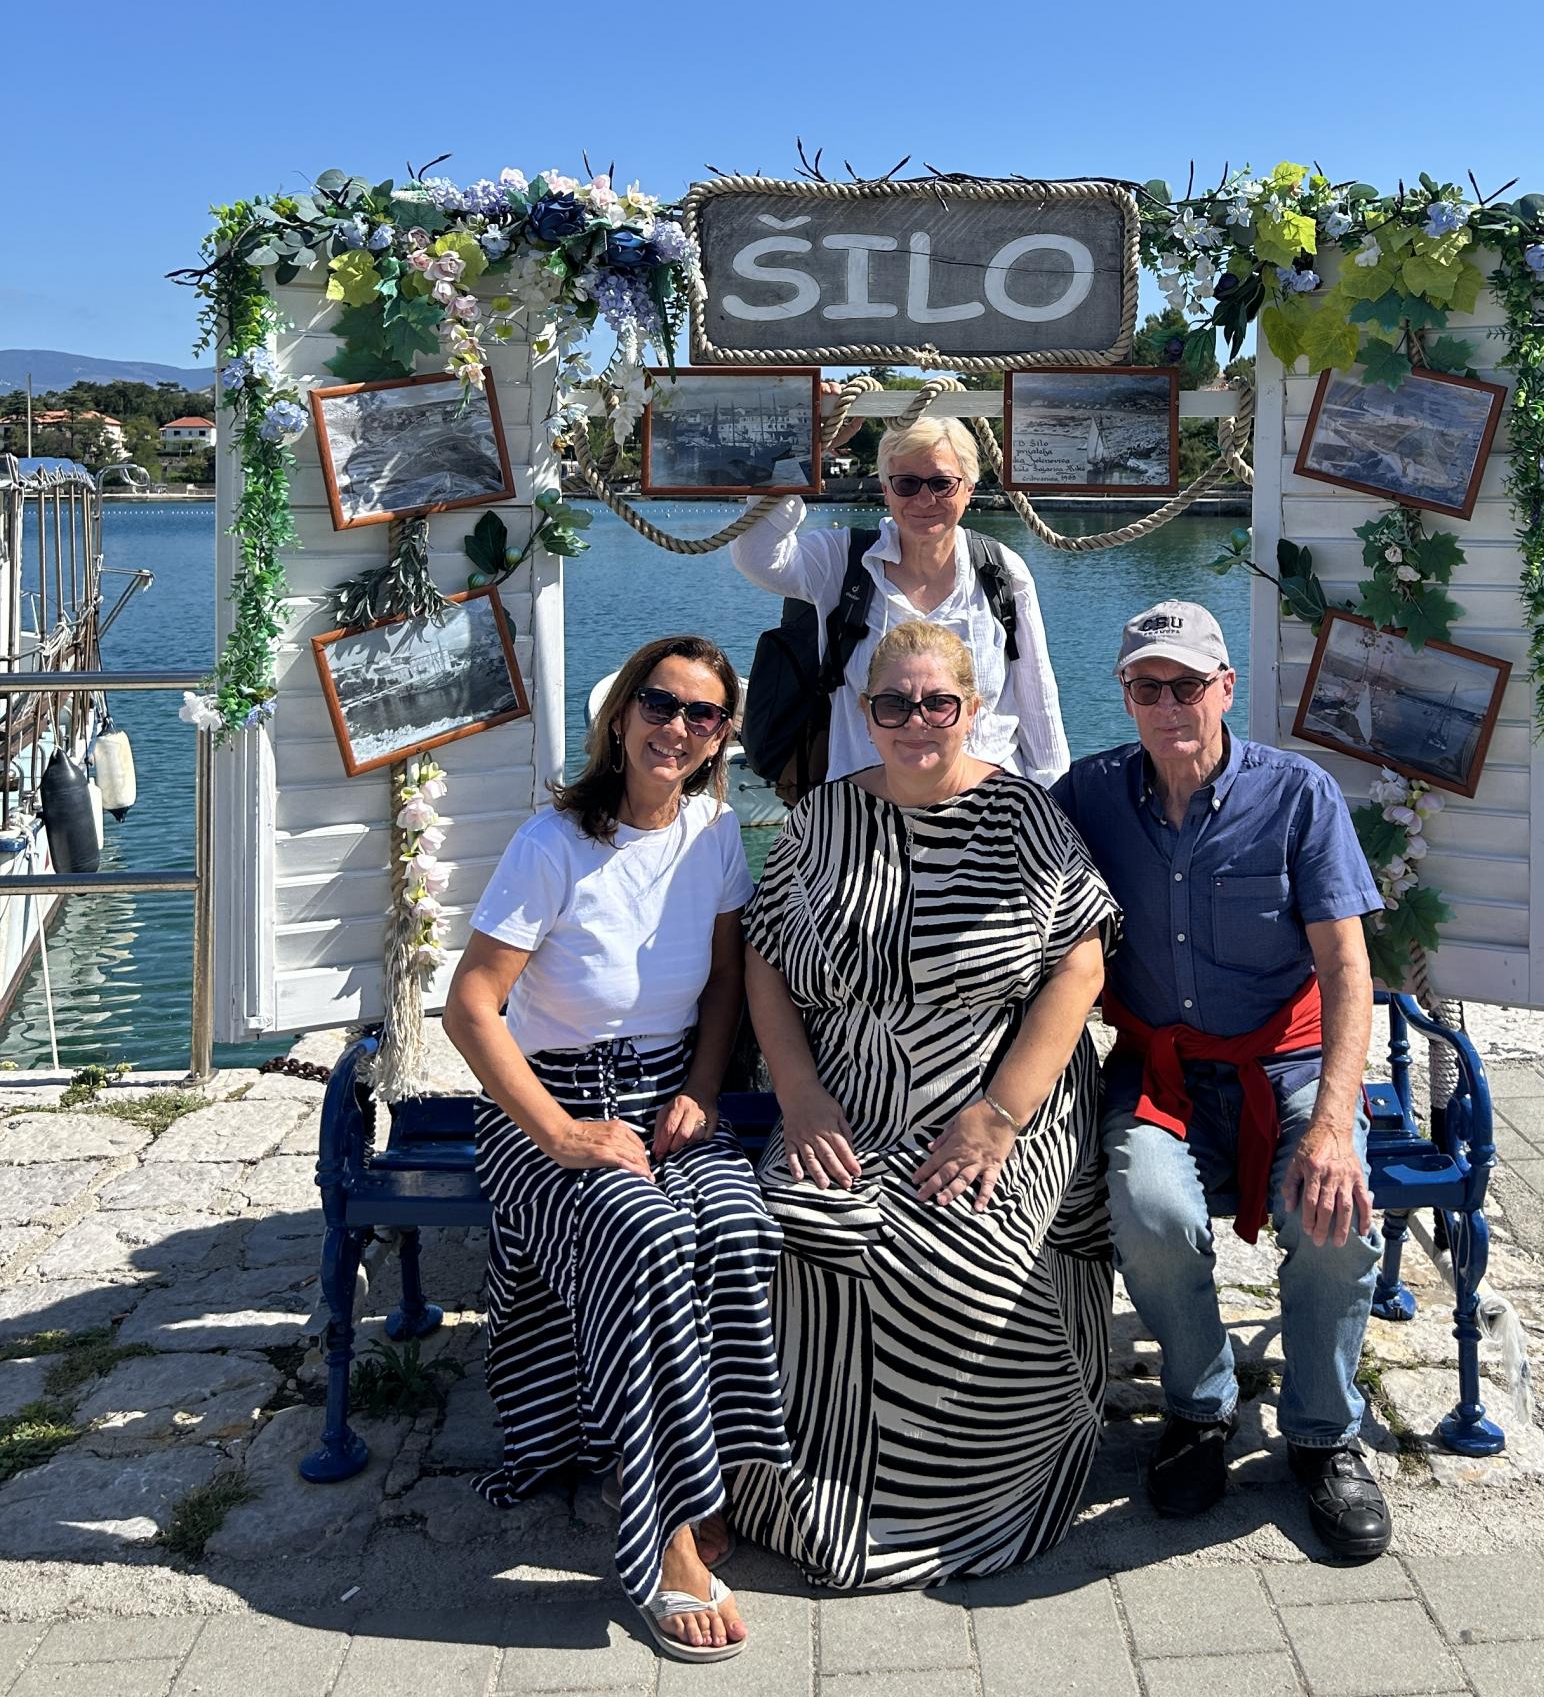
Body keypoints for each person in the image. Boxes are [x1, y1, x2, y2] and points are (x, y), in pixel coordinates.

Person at [729, 619, 1118, 1588]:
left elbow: (1081, 965)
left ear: (971, 709)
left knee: (968, 1256)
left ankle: (976, 1502)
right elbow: (765, 960)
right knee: (786, 1227)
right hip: (850, 1094)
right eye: (894, 704)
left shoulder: (1023, 817)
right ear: (866, 714)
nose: (916, 721)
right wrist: (800, 1094)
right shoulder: (821, 819)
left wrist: (1000, 1116)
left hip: (999, 1089)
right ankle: (804, 1499)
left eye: (938, 703)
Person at [444, 635, 790, 1662]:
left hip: (669, 1099)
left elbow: (723, 985)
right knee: (646, 1240)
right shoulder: (552, 844)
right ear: (623, 712)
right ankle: (665, 1537)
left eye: (702, 714)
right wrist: (558, 1132)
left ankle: (707, 1474)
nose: (677, 727)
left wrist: (700, 1090)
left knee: (740, 1227)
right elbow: (471, 1007)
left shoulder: (714, 833)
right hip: (549, 1113)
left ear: (722, 737)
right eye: (660, 703)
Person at [1052, 599, 1392, 1562]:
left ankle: (1324, 1435)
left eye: (1188, 685)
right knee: (1149, 1211)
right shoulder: (1087, 796)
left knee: (1334, 1219)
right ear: (1125, 694)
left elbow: (1348, 969)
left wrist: (1332, 1124)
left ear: (1226, 689)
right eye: (1146, 687)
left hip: (1288, 1063)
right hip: (1161, 1069)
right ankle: (1200, 1408)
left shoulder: (1298, 795)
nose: (1169, 705)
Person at [730, 409, 1069, 784]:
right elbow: (758, 556)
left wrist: (1051, 797)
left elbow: (1038, 701)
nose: (924, 499)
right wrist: (808, 445)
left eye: (941, 483)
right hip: (864, 807)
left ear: (969, 488)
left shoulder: (1001, 570)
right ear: (886, 488)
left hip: (990, 808)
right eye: (907, 483)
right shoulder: (843, 560)